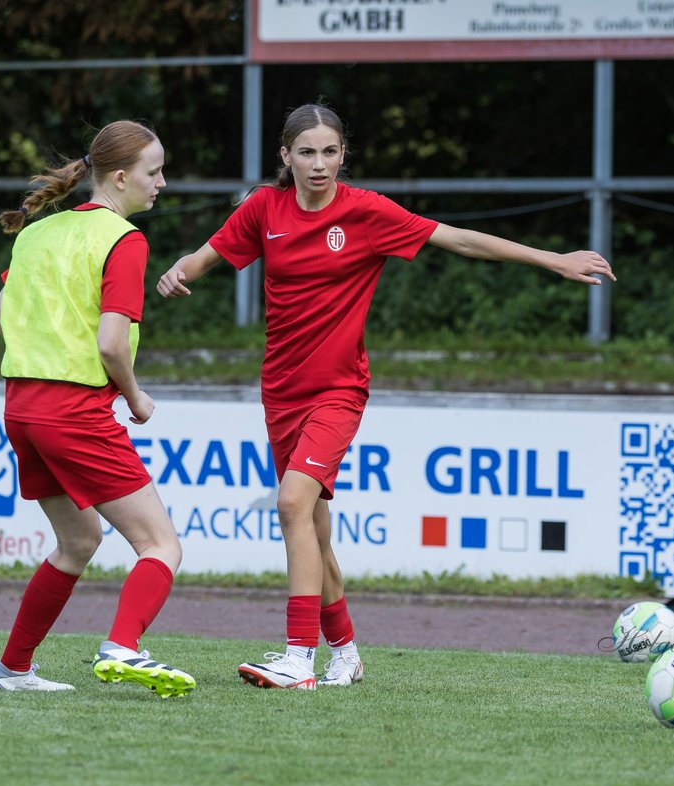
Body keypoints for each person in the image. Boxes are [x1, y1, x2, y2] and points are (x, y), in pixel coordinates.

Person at [156, 103, 614, 690]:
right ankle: (345, 651)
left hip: (337, 392)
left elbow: (462, 241)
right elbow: (201, 259)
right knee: (313, 534)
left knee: (292, 505)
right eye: (307, 152)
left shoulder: (367, 212)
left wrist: (550, 258)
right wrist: (177, 272)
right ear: (285, 157)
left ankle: (299, 658)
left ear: (344, 154)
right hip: (280, 394)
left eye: (330, 151)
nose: (319, 164)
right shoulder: (262, 210)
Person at [0, 119, 195, 698]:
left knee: (78, 542)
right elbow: (110, 344)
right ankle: (124, 646)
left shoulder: (38, 234)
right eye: (154, 172)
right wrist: (136, 397)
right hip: (74, 410)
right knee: (161, 545)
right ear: (121, 176)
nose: (162, 184)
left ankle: (12, 670)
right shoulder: (123, 240)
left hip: (22, 408)